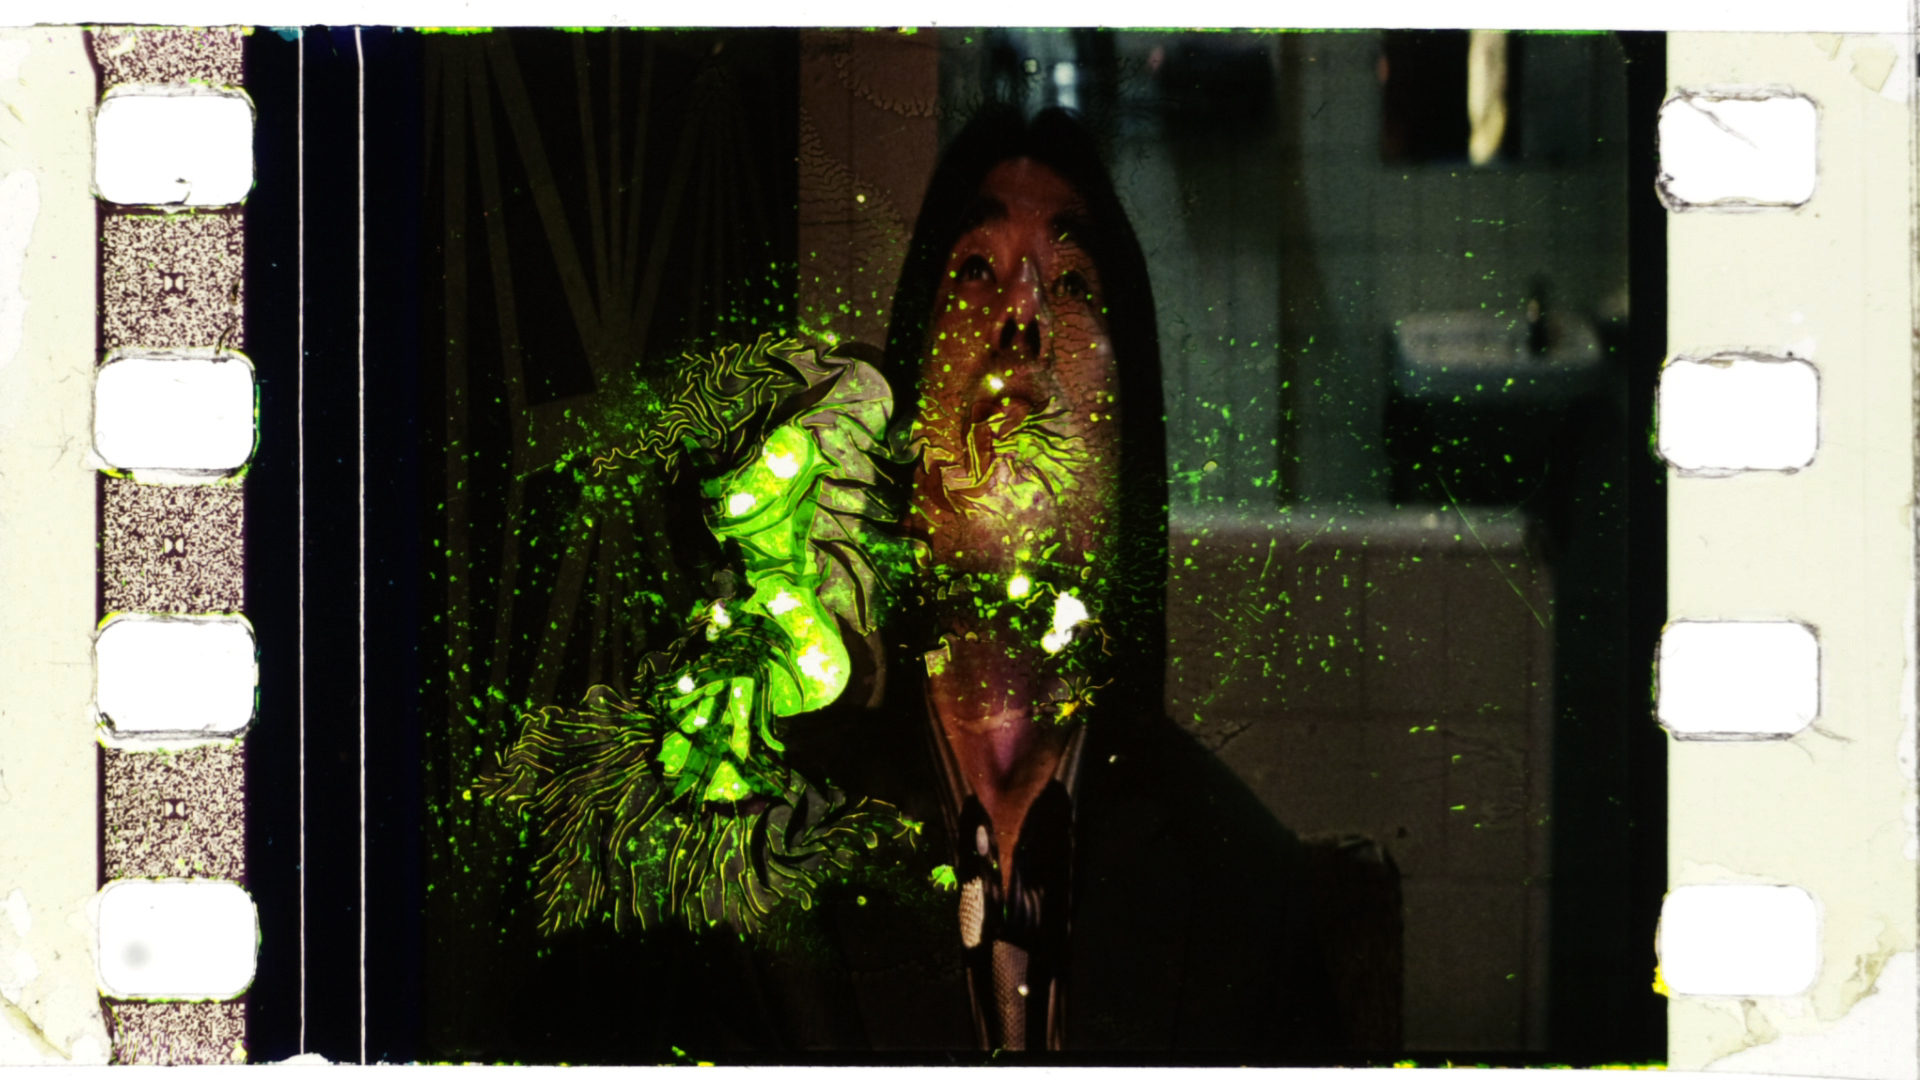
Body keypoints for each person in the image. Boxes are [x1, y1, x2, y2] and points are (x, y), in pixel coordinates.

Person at [743, 105, 1361, 1056]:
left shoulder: (1243, 893)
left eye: (1072, 284)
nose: (1022, 311)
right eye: (974, 271)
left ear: (1126, 466)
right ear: (903, 445)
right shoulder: (762, 859)